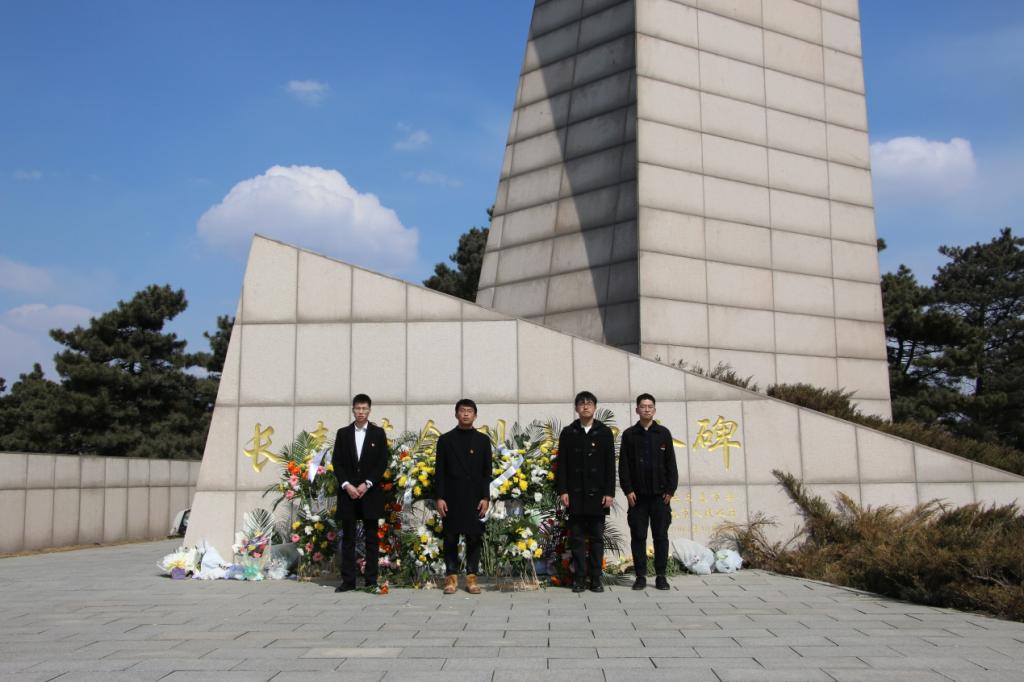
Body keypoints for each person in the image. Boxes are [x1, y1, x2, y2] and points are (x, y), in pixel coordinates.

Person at [555, 391, 615, 593]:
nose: (586, 406)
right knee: (577, 538)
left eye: (589, 403)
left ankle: (596, 578)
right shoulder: (568, 432)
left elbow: (610, 465)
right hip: (575, 495)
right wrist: (563, 490)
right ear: (576, 408)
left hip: (598, 495)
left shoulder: (604, 432)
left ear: (595, 407)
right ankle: (579, 578)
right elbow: (562, 464)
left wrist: (609, 492)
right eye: (582, 403)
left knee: (597, 538)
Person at [619, 393, 678, 591]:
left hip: (660, 497)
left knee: (661, 536)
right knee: (638, 537)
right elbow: (624, 466)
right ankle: (640, 576)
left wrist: (670, 490)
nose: (646, 409)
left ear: (654, 410)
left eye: (650, 406)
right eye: (643, 406)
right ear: (637, 410)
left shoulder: (663, 433)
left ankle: (661, 576)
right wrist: (628, 490)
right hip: (637, 497)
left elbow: (671, 464)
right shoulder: (629, 435)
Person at [332, 394, 389, 592]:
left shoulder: (378, 433)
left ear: (369, 410)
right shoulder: (343, 433)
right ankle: (348, 581)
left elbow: (382, 462)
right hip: (348, 493)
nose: (361, 412)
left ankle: (371, 580)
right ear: (353, 410)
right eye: (358, 408)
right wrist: (346, 484)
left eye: (364, 408)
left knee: (371, 538)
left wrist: (368, 483)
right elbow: (337, 462)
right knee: (348, 538)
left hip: (369, 493)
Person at [435, 398, 492, 595]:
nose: (466, 413)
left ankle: (471, 579)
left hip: (475, 497)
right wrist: (439, 497)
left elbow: (487, 472)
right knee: (450, 537)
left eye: (469, 411)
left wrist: (486, 497)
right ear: (456, 414)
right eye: (462, 410)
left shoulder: (483, 440)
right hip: (451, 497)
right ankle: (451, 579)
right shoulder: (445, 440)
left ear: (475, 415)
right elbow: (439, 472)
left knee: (474, 537)